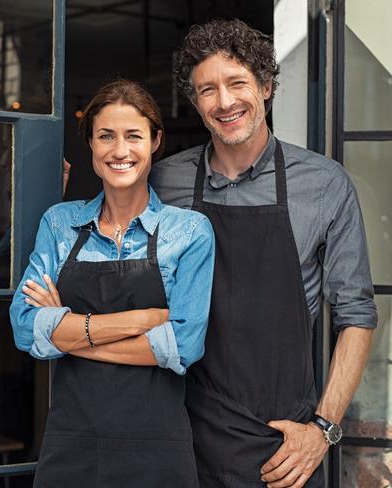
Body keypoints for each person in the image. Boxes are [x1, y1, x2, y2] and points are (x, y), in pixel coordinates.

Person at [149, 19, 377, 488]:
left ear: (267, 86)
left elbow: (356, 315)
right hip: (179, 432)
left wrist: (323, 429)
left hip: (283, 446)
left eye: (237, 83)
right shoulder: (162, 182)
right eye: (207, 89)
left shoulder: (324, 184)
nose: (225, 101)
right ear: (195, 103)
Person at [9, 79, 215, 487]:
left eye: (133, 136)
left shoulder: (189, 232)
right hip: (72, 444)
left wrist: (69, 333)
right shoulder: (60, 223)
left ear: (155, 141)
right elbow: (23, 327)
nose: (120, 151)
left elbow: (184, 346)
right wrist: (143, 320)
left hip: (158, 449)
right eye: (106, 136)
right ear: (90, 144)